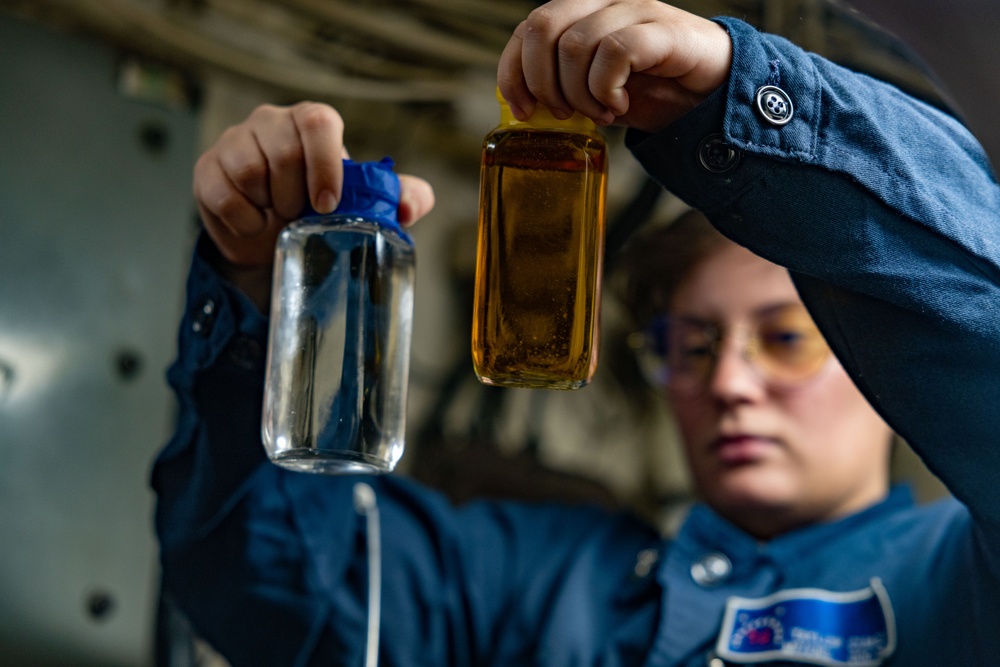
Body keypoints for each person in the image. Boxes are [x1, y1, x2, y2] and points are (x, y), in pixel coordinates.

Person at [152, 0, 1000, 665]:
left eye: (785, 340)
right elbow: (266, 581)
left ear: (872, 355)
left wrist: (744, 98)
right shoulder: (550, 581)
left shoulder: (956, 580)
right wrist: (258, 292)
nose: (731, 385)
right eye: (692, 347)